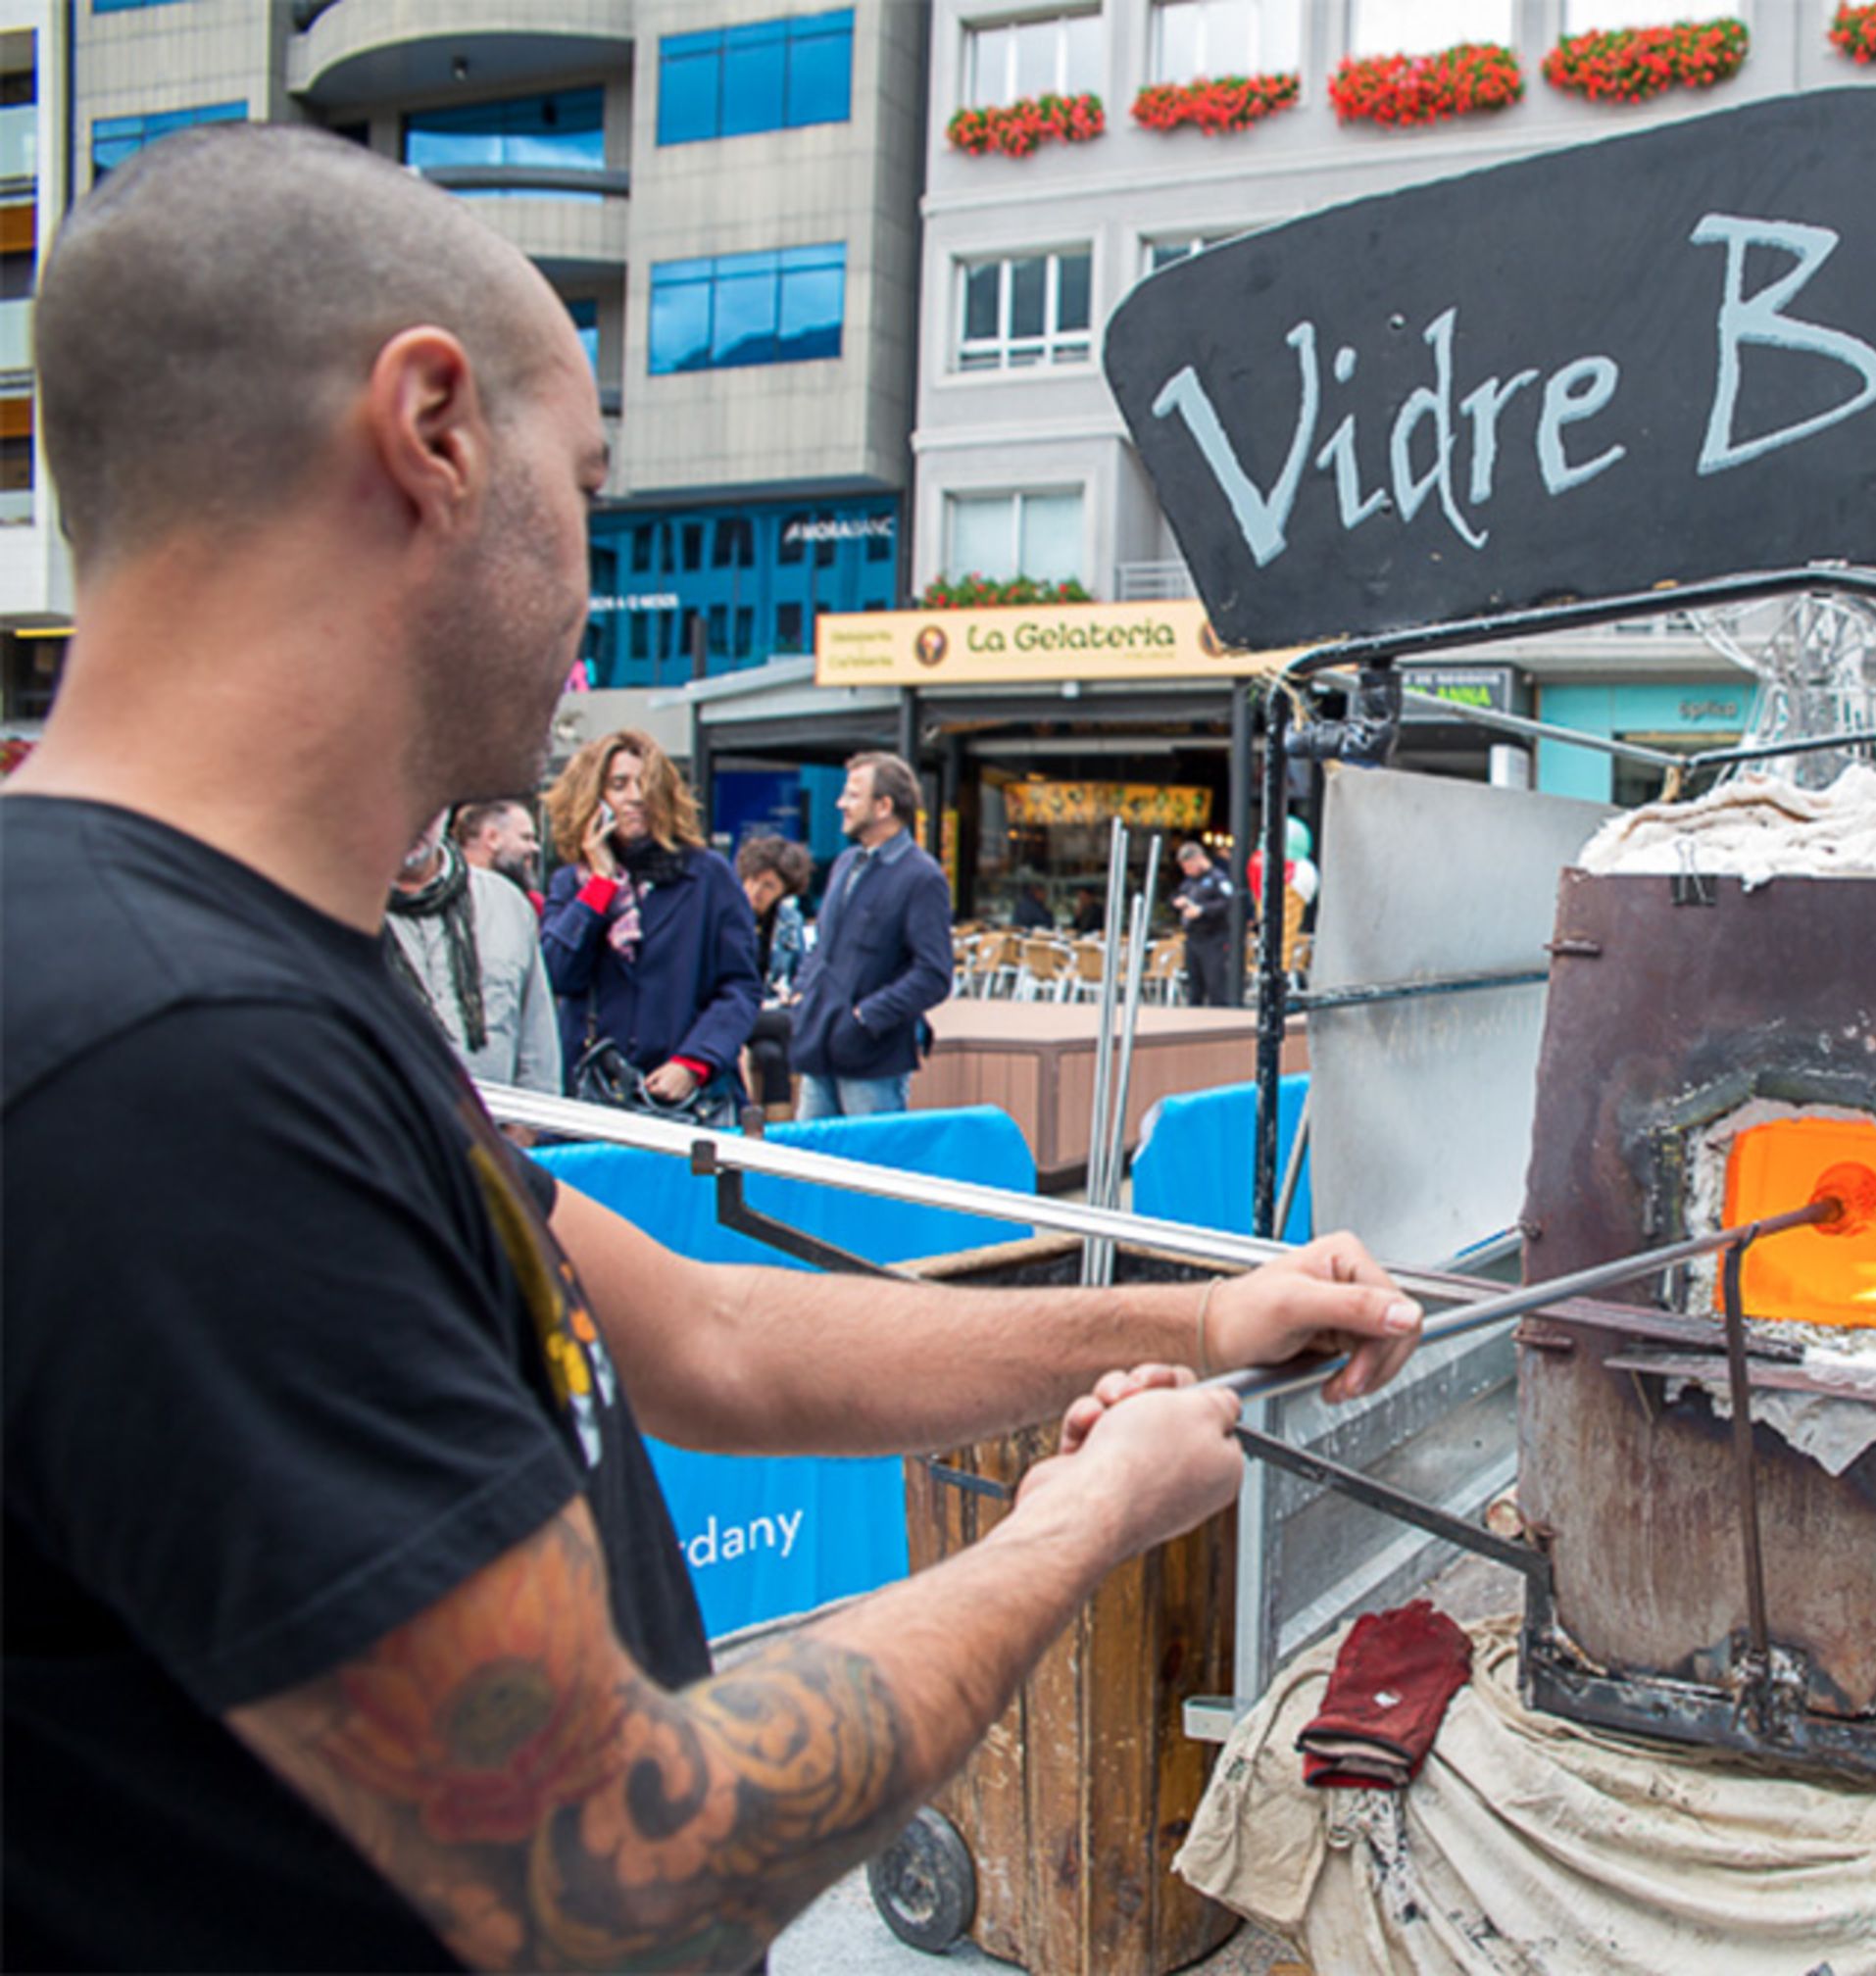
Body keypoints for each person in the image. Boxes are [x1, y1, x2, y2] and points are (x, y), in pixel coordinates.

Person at [1, 125, 1422, 1971]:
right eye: (585, 488)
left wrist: (1197, 1316)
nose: (593, 585)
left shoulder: (248, 972)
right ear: (430, 431)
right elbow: (618, 1860)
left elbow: (709, 1337)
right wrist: (1078, 1526)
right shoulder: (166, 1055)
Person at [539, 728, 762, 1123]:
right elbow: (557, 973)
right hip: (595, 1099)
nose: (635, 797)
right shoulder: (571, 883)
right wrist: (601, 885)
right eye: (619, 785)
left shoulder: (707, 875)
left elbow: (740, 986)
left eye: (646, 784)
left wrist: (694, 1062)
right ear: (594, 796)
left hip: (684, 1099)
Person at [790, 754, 955, 1119]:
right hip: (819, 1046)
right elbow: (824, 945)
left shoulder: (921, 876)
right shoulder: (846, 863)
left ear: (883, 806)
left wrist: (866, 1017)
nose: (840, 803)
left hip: (873, 1060)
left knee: (871, 1169)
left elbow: (935, 974)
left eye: (852, 795)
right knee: (806, 1167)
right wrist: (803, 994)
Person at [386, 808, 562, 1102]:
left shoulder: (505, 901)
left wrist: (525, 1130)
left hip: (496, 1132)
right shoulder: (333, 910)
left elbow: (537, 1038)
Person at [736, 833, 815, 1112]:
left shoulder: (788, 921)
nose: (756, 890)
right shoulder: (727, 913)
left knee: (772, 1054)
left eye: (769, 886)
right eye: (753, 879)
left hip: (767, 1013)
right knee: (790, 1024)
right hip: (730, 1012)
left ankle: (773, 1140)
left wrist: (798, 992)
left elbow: (801, 969)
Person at [1172, 838, 1239, 1007]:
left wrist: (1202, 910)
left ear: (1198, 859)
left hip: (1214, 937)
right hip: (1194, 937)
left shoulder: (1219, 879)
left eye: (1188, 866)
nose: (1186, 871)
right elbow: (1178, 894)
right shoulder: (1190, 882)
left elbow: (1228, 902)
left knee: (1215, 982)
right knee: (1194, 984)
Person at [456, 794, 544, 896]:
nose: (536, 848)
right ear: (492, 838)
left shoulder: (529, 902)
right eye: (525, 838)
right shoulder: (446, 895)